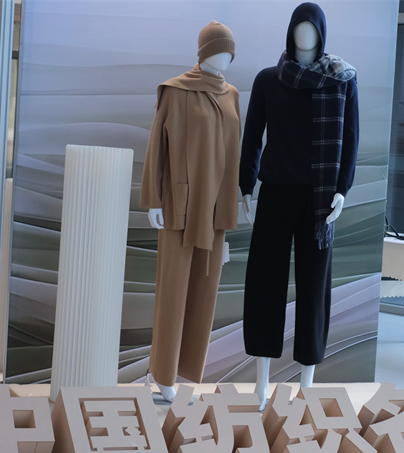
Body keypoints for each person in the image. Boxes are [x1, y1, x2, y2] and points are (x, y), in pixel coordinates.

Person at [239, 2, 359, 408]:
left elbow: (351, 140)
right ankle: (261, 383)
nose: (304, 34)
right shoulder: (268, 79)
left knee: (313, 289)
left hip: (319, 200)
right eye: (299, 26)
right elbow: (253, 136)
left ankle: (307, 384)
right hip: (274, 192)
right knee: (264, 286)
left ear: (322, 33)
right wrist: (245, 185)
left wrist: (342, 189)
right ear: (289, 31)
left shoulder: (342, 79)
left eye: (312, 27)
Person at [140, 21, 241, 402]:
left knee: (203, 292)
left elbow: (233, 155)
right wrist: (153, 199)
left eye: (229, 51)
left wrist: (231, 205)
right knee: (173, 292)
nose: (226, 57)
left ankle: (183, 373)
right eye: (219, 49)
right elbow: (156, 148)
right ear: (204, 51)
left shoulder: (232, 95)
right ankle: (163, 373)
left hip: (214, 211)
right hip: (178, 207)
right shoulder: (175, 90)